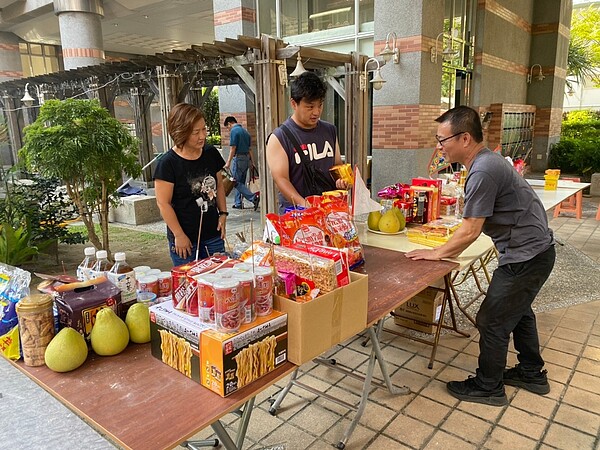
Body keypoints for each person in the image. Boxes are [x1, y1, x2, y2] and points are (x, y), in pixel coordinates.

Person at [406, 106, 555, 406]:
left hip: (526, 256)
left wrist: (436, 253)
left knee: (491, 319)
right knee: (518, 310)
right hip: (535, 250)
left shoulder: (484, 169)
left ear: (464, 139)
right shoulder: (485, 163)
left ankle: (489, 386)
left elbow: (471, 230)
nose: (438, 146)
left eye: (441, 139)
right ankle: (531, 373)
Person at [154, 103, 228, 266]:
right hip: (184, 239)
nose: (202, 136)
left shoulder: (210, 153)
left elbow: (219, 185)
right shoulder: (168, 163)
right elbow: (163, 203)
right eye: (196, 132)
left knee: (218, 280)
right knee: (189, 286)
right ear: (181, 132)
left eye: (204, 129)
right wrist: (179, 235)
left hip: (213, 234)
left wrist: (223, 213)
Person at [266, 71, 347, 214]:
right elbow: (281, 179)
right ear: (293, 103)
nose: (316, 112)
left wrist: (343, 179)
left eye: (320, 105)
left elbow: (337, 164)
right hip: (296, 216)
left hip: (329, 211)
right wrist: (305, 205)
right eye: (310, 107)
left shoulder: (330, 131)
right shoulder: (279, 137)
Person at [223, 116, 259, 211]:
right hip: (246, 158)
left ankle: (253, 197)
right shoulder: (245, 132)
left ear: (230, 123)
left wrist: (228, 162)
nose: (228, 129)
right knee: (240, 181)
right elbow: (250, 149)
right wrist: (252, 162)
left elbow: (233, 148)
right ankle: (238, 203)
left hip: (238, 158)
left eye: (227, 127)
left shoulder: (234, 131)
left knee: (235, 182)